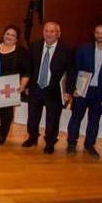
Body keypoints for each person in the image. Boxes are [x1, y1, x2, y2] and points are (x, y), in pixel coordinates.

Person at [66, 24, 102, 157]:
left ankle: (89, 145)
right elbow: (75, 70)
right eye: (97, 33)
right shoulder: (83, 49)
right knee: (75, 118)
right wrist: (74, 88)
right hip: (82, 90)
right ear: (94, 34)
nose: (100, 35)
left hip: (100, 92)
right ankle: (72, 143)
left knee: (94, 120)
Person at [23, 22, 75, 154]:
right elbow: (29, 67)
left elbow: (71, 71)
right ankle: (32, 137)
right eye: (46, 31)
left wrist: (68, 91)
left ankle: (50, 142)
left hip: (54, 90)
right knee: (33, 116)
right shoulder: (35, 45)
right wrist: (28, 85)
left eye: (52, 31)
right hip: (36, 87)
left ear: (59, 33)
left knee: (52, 118)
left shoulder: (67, 49)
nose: (49, 33)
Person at [0, 25, 32, 144]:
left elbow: (27, 71)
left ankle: (3, 134)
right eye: (7, 34)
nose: (9, 37)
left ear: (17, 38)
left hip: (10, 86)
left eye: (13, 35)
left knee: (6, 112)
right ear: (3, 34)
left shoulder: (21, 52)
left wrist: (22, 86)